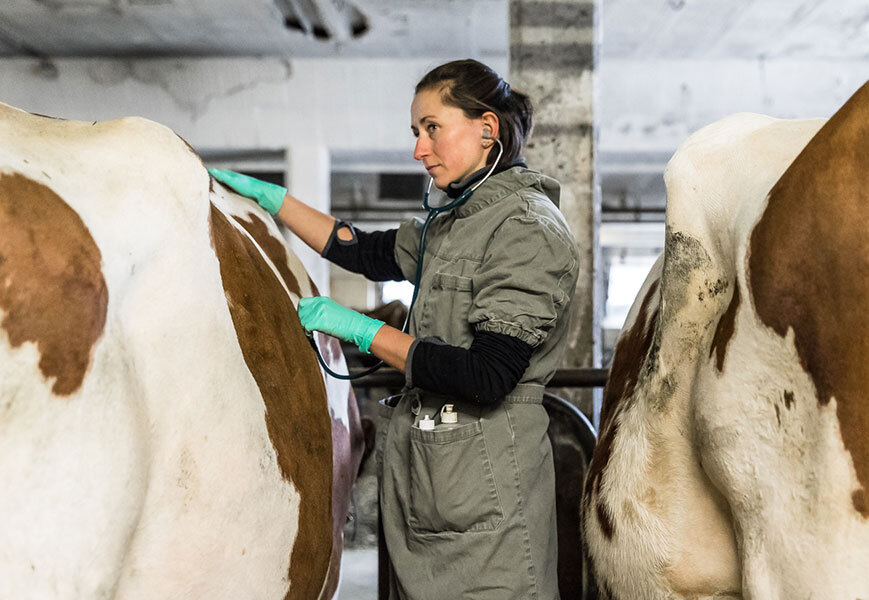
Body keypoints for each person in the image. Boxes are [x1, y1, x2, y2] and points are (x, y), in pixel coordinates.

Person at [210, 59, 579, 600]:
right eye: (415, 132)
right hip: (432, 487)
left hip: (486, 492)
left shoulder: (527, 229)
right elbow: (364, 250)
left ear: (486, 130)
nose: (418, 150)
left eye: (432, 128)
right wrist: (275, 202)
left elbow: (487, 374)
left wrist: (360, 330)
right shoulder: (453, 220)